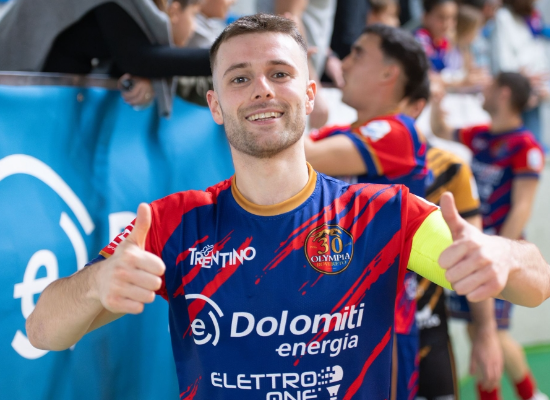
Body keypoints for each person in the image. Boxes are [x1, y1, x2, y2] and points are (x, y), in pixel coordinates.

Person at [26, 14, 550, 400]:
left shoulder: (383, 214)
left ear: (310, 93)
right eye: (239, 78)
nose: (261, 90)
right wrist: (95, 283)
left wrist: (502, 255)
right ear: (215, 105)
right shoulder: (171, 222)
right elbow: (43, 330)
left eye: (279, 73)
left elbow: (536, 284)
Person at [305, 24, 431, 400]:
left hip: (379, 324)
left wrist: (291, 81)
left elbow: (297, 156)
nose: (344, 63)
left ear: (389, 73)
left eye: (358, 54)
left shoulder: (398, 130)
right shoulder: (343, 133)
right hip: (331, 319)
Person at [431, 71, 548, 400]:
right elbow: (440, 130)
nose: (483, 90)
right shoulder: (480, 134)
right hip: (477, 249)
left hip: (497, 254)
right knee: (478, 329)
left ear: (504, 93)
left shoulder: (526, 146)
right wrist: (437, 101)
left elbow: (522, 207)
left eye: (490, 86)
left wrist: (500, 254)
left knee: (493, 332)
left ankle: (530, 394)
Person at [401, 80, 503, 400]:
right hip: (366, 339)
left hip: (428, 327)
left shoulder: (448, 165)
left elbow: (474, 252)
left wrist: (486, 331)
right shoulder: (331, 158)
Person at [0, 0, 209, 116]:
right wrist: (222, 55)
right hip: (15, 96)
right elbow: (139, 58)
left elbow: (126, 55)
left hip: (45, 102)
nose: (194, 27)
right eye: (195, 14)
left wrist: (146, 77)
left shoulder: (138, 10)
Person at [490, 0, 550, 148]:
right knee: (515, 146)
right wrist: (523, 79)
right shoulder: (503, 17)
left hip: (537, 94)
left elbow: (539, 54)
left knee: (534, 146)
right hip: (515, 93)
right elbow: (502, 64)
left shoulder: (534, 17)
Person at [414, 0, 458, 73]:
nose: (447, 24)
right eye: (441, 17)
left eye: (452, 18)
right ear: (425, 17)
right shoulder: (420, 39)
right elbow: (429, 74)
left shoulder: (445, 41)